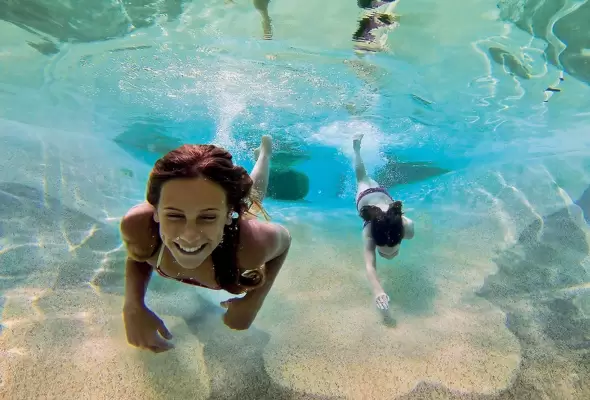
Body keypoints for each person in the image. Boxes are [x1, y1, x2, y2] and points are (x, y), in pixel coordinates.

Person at [120, 136, 291, 352]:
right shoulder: (138, 225)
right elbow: (138, 256)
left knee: (251, 202)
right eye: (174, 216)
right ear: (155, 211)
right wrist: (133, 305)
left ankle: (264, 154)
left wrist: (254, 301)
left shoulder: (252, 243)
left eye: (207, 218)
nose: (190, 236)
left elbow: (285, 241)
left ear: (229, 214)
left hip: (234, 226)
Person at [353, 134, 415, 310]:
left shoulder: (407, 227)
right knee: (364, 178)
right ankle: (357, 148)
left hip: (373, 194)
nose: (389, 256)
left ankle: (358, 149)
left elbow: (370, 265)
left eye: (386, 254)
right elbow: (369, 265)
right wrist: (377, 291)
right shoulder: (368, 233)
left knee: (365, 178)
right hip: (371, 194)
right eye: (388, 254)